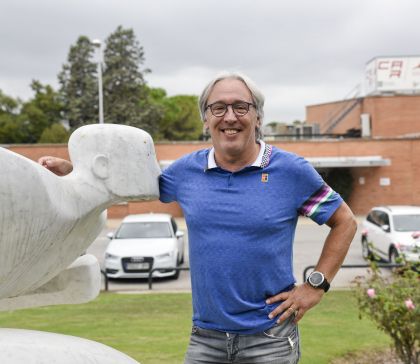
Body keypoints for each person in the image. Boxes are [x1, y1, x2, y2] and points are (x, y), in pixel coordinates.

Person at [39, 71, 357, 364]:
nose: (229, 117)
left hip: (269, 340)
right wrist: (72, 171)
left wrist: (316, 285)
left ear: (258, 117)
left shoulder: (291, 171)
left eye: (241, 107)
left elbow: (345, 221)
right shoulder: (185, 172)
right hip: (205, 340)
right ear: (205, 119)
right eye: (217, 108)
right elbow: (128, 187)